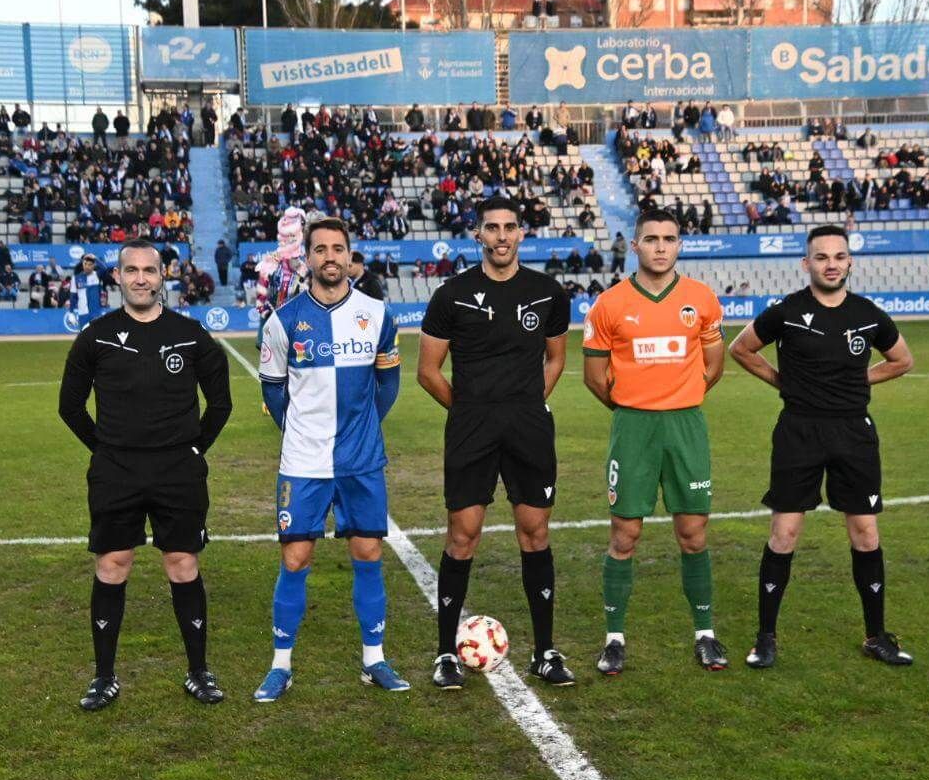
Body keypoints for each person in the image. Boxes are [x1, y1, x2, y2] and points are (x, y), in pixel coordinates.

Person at [727, 224, 915, 670]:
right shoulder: (786, 312)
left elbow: (903, 360)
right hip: (799, 431)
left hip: (854, 434)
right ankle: (766, 637)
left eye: (839, 256)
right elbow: (741, 348)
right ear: (806, 263)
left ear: (849, 262)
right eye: (821, 257)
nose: (831, 264)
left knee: (866, 534)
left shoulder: (868, 314)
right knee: (785, 534)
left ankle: (876, 636)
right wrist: (783, 382)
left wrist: (858, 379)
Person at [57, 239, 234, 711]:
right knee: (113, 565)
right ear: (117, 277)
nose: (140, 278)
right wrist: (105, 449)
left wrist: (196, 447)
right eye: (131, 270)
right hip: (117, 472)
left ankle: (198, 672)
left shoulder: (191, 335)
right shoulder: (95, 336)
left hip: (178, 470)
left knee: (183, 564)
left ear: (163, 277)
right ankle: (103, 678)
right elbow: (69, 407)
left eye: (149, 271)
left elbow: (221, 402)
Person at [417, 195, 573, 690]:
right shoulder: (452, 294)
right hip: (472, 429)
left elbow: (555, 360)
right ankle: (445, 653)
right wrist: (468, 410)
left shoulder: (548, 293)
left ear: (521, 234)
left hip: (528, 426)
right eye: (492, 228)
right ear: (478, 235)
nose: (501, 236)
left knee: (535, 532)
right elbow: (428, 371)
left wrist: (526, 403)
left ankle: (545, 651)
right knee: (463, 534)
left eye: (510, 227)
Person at [253, 217, 408, 700]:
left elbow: (388, 385)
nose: (330, 258)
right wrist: (305, 433)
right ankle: (281, 666)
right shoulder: (281, 322)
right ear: (308, 258)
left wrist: (360, 429)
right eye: (320, 249)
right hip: (303, 463)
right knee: (296, 558)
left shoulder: (378, 315)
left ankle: (374, 659)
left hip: (360, 462)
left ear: (348, 254)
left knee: (368, 553)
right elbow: (274, 393)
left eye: (338, 249)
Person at [581, 207, 728, 675]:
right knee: (625, 535)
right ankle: (614, 638)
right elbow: (594, 377)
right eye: (651, 239)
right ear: (635, 246)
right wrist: (633, 406)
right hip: (633, 429)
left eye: (669, 238)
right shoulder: (609, 304)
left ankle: (705, 634)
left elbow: (714, 364)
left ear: (679, 245)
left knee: (693, 533)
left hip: (686, 427)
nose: (660, 247)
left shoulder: (701, 298)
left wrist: (681, 398)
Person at [71, 254, 104, 328]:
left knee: (97, 336)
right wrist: (71, 312)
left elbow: (104, 269)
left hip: (96, 313)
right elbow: (73, 296)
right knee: (84, 336)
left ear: (93, 266)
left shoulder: (96, 275)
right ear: (82, 265)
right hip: (83, 313)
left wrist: (95, 258)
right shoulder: (76, 278)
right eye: (85, 264)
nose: (87, 267)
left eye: (90, 265)